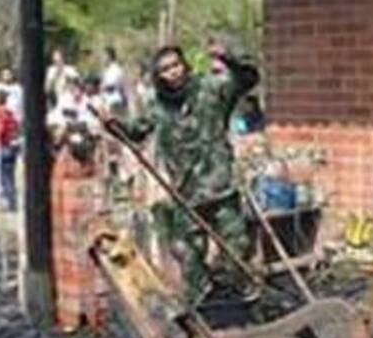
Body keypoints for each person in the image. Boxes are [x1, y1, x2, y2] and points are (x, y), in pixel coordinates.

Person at [101, 41, 260, 305]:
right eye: (165, 70)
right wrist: (112, 124)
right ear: (158, 76)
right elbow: (136, 132)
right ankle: (203, 300)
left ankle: (246, 294)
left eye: (176, 65)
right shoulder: (157, 106)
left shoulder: (211, 88)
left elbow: (247, 79)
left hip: (220, 187)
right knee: (185, 252)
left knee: (237, 247)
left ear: (184, 65)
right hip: (187, 195)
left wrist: (228, 57)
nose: (173, 72)